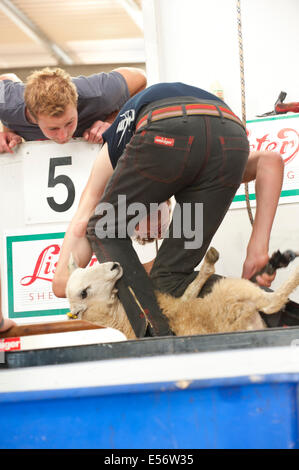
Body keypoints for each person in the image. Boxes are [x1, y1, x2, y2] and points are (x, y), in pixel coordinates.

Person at [52, 81, 284, 338]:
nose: (155, 235)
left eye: (141, 227)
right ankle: (279, 314)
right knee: (170, 279)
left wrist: (65, 280)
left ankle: (157, 340)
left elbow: (85, 220)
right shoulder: (187, 181)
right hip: (230, 137)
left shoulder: (115, 155)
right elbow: (270, 161)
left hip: (167, 130)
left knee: (103, 227)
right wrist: (257, 248)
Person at [0, 66, 147, 153]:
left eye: (70, 122)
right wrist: (8, 131)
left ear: (75, 102)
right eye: (53, 128)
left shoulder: (99, 93)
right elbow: (6, 78)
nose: (64, 136)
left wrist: (113, 121)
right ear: (33, 115)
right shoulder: (8, 102)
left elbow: (140, 78)